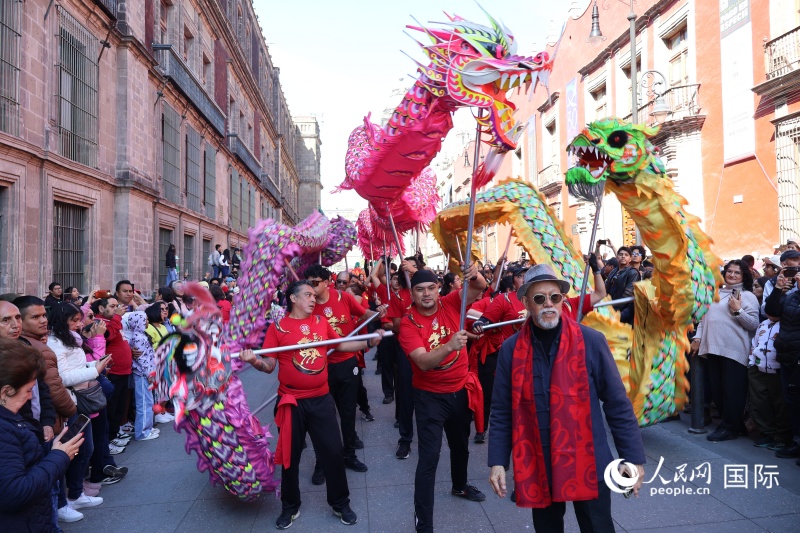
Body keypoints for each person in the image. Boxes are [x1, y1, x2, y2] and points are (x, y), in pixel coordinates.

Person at [488, 264, 646, 531]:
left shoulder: (591, 340)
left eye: (555, 297)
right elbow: (502, 410)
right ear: (526, 303)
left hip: (589, 458)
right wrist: (497, 461)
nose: (548, 304)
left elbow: (617, 402)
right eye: (540, 298)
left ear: (563, 299)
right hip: (538, 459)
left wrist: (632, 457)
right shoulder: (510, 350)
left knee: (597, 526)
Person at [240, 280, 382, 529]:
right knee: (290, 457)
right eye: (307, 295)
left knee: (333, 452)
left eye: (314, 295)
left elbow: (340, 344)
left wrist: (368, 342)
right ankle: (290, 507)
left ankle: (340, 503)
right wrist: (254, 361)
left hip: (321, 399)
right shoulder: (278, 328)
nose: (313, 298)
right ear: (293, 298)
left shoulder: (320, 322)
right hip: (291, 402)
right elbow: (269, 365)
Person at [399, 264, 487, 533]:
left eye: (431, 288)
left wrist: (474, 274)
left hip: (459, 391)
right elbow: (423, 362)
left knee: (460, 446)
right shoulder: (408, 323)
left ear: (439, 289)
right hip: (430, 399)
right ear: (412, 293)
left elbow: (480, 287)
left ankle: (460, 486)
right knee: (429, 460)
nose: (426, 294)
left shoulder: (451, 303)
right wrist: (450, 345)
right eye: (420, 290)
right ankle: (424, 525)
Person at [304, 264, 385, 481]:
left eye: (314, 283)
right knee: (323, 417)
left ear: (326, 283)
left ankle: (349, 454)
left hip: (347, 363)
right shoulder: (307, 304)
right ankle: (322, 461)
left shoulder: (344, 298)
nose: (310, 288)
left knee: (348, 412)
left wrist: (377, 314)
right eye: (307, 283)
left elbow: (365, 314)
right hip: (321, 366)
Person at [0, 339, 84, 532]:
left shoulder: (10, 418)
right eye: (28, 390)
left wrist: (54, 451)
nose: (30, 397)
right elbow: (15, 491)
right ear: (6, 391)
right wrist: (59, 456)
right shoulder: (4, 428)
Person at [47, 303, 110, 512]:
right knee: (79, 449)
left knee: (86, 448)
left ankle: (76, 492)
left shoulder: (70, 338)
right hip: (72, 401)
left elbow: (77, 367)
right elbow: (64, 377)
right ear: (61, 320)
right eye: (74, 320)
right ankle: (72, 495)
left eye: (79, 319)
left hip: (80, 398)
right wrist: (94, 370)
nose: (79, 324)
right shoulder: (55, 343)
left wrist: (94, 365)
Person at [691, 259, 759, 441]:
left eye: (737, 272)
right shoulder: (716, 293)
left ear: (744, 276)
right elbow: (704, 318)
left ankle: (730, 428)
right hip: (712, 348)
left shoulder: (748, 296)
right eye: (729, 271)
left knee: (732, 391)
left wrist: (738, 311)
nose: (732, 275)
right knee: (718, 390)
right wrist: (698, 337)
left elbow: (753, 324)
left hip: (734, 350)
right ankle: (734, 425)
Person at [764, 264, 800, 461]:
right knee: (792, 402)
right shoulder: (792, 297)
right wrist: (778, 288)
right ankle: (796, 442)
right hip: (787, 356)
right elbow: (772, 311)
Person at [91, 298, 132, 447]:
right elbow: (109, 336)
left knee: (119, 406)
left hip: (123, 370)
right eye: (112, 306)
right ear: (101, 308)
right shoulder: (100, 323)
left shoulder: (113, 320)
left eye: (117, 306)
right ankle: (110, 437)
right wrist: (117, 317)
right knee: (112, 407)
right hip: (113, 371)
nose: (116, 309)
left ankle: (115, 431)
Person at [748, 312, 792, 451]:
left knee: (779, 404)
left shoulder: (787, 325)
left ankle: (782, 437)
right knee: (760, 402)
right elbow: (754, 343)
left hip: (778, 370)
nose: (770, 315)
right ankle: (767, 433)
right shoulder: (763, 324)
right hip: (758, 368)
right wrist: (752, 362)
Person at [121, 311, 158, 441]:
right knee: (143, 403)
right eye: (145, 320)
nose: (147, 322)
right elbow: (142, 359)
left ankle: (147, 428)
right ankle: (142, 433)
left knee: (148, 402)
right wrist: (149, 374)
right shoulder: (138, 337)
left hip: (146, 374)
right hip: (142, 375)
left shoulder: (141, 335)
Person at [604, 247, 640, 324]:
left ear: (630, 259)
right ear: (617, 257)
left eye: (626, 255)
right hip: (611, 306)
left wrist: (612, 309)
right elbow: (606, 289)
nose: (623, 256)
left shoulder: (633, 273)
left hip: (625, 310)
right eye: (621, 254)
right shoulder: (613, 271)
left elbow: (627, 295)